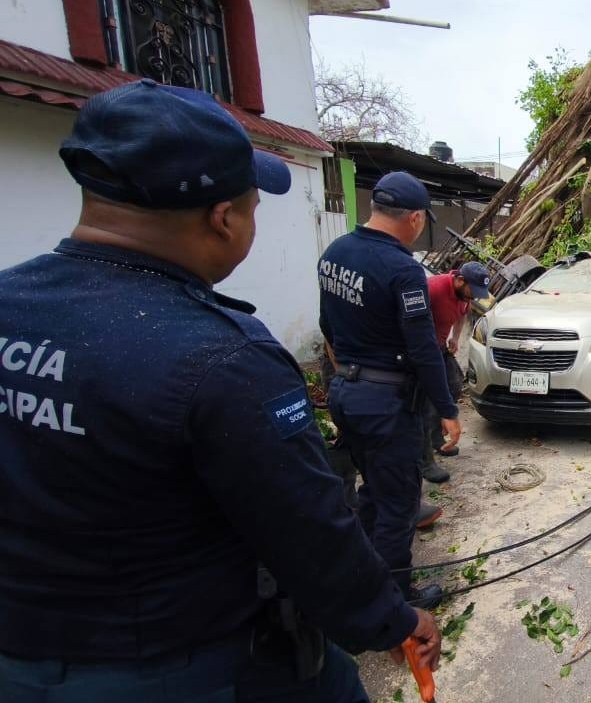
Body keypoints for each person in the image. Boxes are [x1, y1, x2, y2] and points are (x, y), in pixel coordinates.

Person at [0, 80, 440, 702]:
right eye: (254, 204)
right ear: (223, 217)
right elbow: (312, 537)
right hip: (194, 667)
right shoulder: (225, 360)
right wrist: (395, 619)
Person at [319, 171, 462, 607]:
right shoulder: (402, 269)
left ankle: (363, 579)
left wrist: (346, 372)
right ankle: (398, 603)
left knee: (373, 494)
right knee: (398, 505)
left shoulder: (334, 253)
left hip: (346, 393)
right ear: (415, 218)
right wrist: (448, 409)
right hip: (386, 404)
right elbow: (424, 349)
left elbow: (327, 326)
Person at [418, 261, 490, 485]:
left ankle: (436, 438)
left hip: (440, 347)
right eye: (472, 291)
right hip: (422, 350)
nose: (473, 298)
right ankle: (425, 460)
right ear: (460, 280)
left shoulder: (464, 297)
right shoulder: (433, 288)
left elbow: (462, 314)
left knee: (454, 384)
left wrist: (455, 337)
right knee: (428, 402)